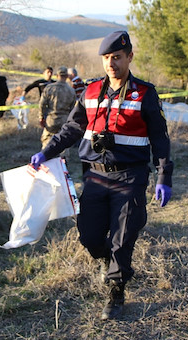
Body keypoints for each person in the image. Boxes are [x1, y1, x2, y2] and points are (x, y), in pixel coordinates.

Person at [30, 31, 173, 320]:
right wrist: (47, 151)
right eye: (106, 58)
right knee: (89, 235)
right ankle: (110, 262)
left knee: (123, 236)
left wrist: (163, 177)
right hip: (94, 176)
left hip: (129, 177)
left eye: (117, 57)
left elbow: (160, 138)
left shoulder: (145, 94)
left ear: (129, 57)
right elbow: (71, 129)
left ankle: (116, 292)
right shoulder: (90, 91)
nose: (111, 63)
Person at [39, 66, 76, 148]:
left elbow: (42, 104)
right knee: (63, 143)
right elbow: (73, 108)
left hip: (51, 120)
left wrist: (41, 117)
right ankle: (63, 160)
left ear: (56, 76)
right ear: (66, 76)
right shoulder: (71, 90)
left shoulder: (49, 88)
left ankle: (46, 159)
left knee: (47, 143)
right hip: (64, 120)